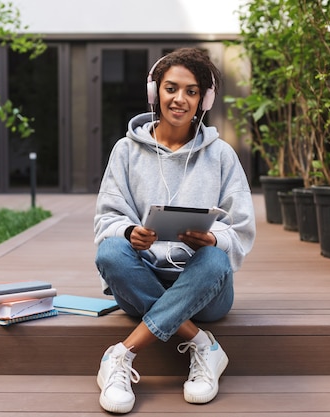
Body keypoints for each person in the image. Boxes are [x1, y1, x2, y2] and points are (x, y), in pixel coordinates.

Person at [93, 47, 256, 414]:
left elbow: (242, 229)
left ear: (204, 100)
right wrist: (130, 232)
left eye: (192, 91)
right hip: (143, 278)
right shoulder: (125, 151)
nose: (180, 99)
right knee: (110, 251)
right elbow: (106, 221)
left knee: (215, 259)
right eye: (171, 88)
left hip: (206, 289)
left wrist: (213, 238)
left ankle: (122, 354)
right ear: (155, 94)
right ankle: (202, 345)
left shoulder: (222, 156)